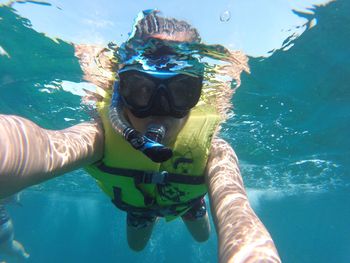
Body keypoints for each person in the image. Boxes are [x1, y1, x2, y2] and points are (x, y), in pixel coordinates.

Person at [0, 10, 281, 262]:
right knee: (136, 247)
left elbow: (239, 213)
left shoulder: (214, 150)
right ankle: (148, 211)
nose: (160, 113)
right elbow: (41, 147)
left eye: (181, 92)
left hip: (186, 200)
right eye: (141, 91)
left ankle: (192, 206)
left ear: (196, 96)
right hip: (139, 207)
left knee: (202, 235)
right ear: (120, 94)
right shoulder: (97, 136)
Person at [0, 195, 30, 262]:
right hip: (5, 225)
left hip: (4, 226)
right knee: (7, 247)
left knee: (7, 247)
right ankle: (23, 255)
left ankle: (22, 255)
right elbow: (13, 198)